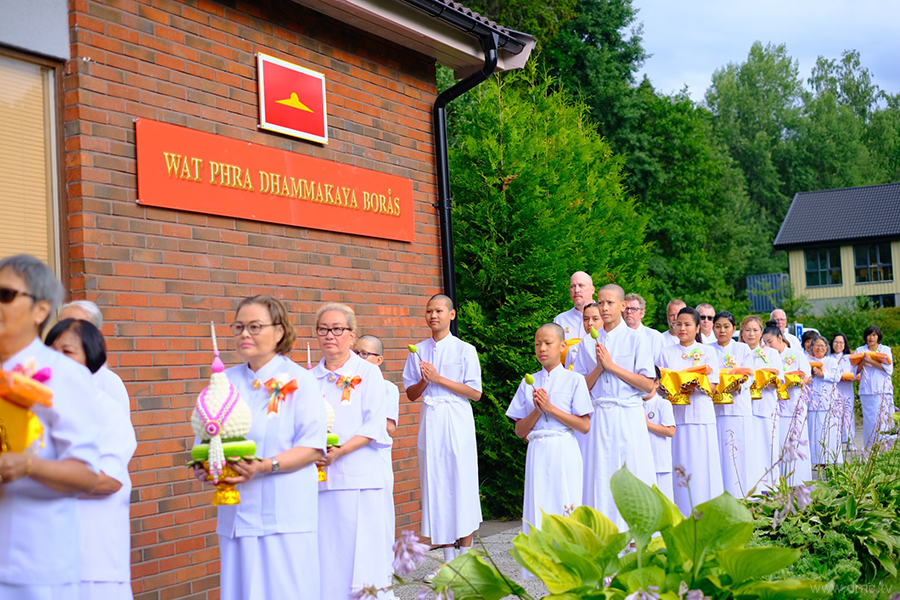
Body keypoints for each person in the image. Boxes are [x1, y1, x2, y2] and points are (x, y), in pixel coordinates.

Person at [192, 294, 327, 600]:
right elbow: (205, 438)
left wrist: (266, 466)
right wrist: (206, 467)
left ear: (279, 331)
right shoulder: (224, 382)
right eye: (238, 326)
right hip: (237, 514)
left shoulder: (301, 381)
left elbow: (313, 447)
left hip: (284, 515)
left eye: (254, 326)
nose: (244, 334)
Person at [0, 254, 101, 600]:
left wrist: (28, 465)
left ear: (41, 310)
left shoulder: (65, 375)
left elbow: (86, 475)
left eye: (5, 295)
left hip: (36, 566)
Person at [45, 318, 137, 600]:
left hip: (92, 557)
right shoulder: (36, 410)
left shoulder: (106, 411)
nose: (56, 359)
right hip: (42, 554)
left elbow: (108, 480)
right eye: (50, 351)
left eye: (68, 351)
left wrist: (35, 475)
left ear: (91, 358)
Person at [313, 304, 390, 598]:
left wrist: (340, 451)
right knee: (329, 555)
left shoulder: (368, 372)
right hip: (323, 479)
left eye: (337, 329)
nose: (329, 335)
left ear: (351, 334)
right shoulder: (308, 378)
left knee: (363, 557)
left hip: (360, 478)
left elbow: (375, 424)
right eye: (323, 329)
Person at [403, 295, 482, 562]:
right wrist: (426, 381)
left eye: (438, 310)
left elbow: (475, 392)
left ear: (451, 314)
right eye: (429, 311)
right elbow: (411, 394)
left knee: (461, 480)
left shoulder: (465, 350)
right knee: (436, 482)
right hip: (431, 420)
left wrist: (438, 378)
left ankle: (465, 558)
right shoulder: (417, 351)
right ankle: (449, 559)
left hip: (456, 419)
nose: (433, 316)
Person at [573, 284, 656, 528]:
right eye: (600, 302)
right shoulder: (587, 343)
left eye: (610, 303)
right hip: (600, 416)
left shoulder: (636, 338)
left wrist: (612, 366)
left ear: (622, 306)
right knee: (601, 473)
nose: (604, 308)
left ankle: (636, 532)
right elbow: (581, 388)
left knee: (632, 468)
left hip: (628, 413)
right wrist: (599, 368)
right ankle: (604, 529)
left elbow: (647, 384)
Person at [506, 324, 592, 546]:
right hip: (537, 450)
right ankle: (539, 555)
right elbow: (520, 430)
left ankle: (567, 552)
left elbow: (584, 425)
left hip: (563, 447)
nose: (542, 348)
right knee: (538, 501)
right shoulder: (528, 382)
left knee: (565, 499)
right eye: (537, 344)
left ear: (562, 346)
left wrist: (551, 409)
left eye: (548, 343)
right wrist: (537, 410)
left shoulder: (575, 380)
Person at [658, 307, 721, 514]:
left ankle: (704, 510)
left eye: (687, 324)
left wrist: (694, 384)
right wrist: (671, 386)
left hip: (700, 416)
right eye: (679, 324)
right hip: (675, 417)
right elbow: (658, 385)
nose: (682, 328)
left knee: (701, 466)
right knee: (678, 464)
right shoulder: (666, 352)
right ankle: (680, 512)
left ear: (697, 328)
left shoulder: (707, 352)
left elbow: (713, 387)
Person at [354, 334, 399, 593]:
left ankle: (382, 579)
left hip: (376, 459)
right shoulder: (347, 384)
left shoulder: (387, 388)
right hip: (351, 461)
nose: (358, 358)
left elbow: (389, 426)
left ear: (379, 360)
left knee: (379, 519)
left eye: (364, 354)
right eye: (355, 353)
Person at [708, 311, 758, 499]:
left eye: (726, 326)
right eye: (718, 326)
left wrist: (739, 385)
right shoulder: (707, 349)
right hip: (716, 410)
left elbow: (750, 375)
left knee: (739, 453)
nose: (722, 330)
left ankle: (742, 494)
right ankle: (721, 494)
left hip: (738, 409)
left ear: (734, 328)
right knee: (719, 453)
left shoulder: (742, 349)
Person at [761, 326, 812, 485]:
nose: (767, 346)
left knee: (797, 442)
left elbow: (807, 377)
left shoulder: (796, 354)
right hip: (777, 405)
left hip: (795, 403)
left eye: (770, 342)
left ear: (780, 338)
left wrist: (793, 381)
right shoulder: (765, 357)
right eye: (765, 342)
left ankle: (799, 480)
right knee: (779, 443)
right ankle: (781, 481)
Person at [59, 300, 129, 412]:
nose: (64, 331)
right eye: (60, 324)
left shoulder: (108, 382)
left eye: (75, 326)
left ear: (94, 332)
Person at [739, 315, 782, 491]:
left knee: (767, 447)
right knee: (747, 449)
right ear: (741, 332)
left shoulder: (770, 354)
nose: (751, 334)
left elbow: (778, 380)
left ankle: (770, 487)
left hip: (765, 407)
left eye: (755, 330)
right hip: (742, 408)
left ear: (761, 332)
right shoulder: (736, 354)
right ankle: (750, 487)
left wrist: (757, 378)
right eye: (747, 330)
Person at [854, 326, 895, 448]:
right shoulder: (860, 350)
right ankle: (870, 449)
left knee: (884, 421)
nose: (871, 338)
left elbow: (888, 370)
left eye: (874, 335)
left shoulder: (885, 350)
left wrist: (871, 361)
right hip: (867, 391)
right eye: (869, 335)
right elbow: (855, 370)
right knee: (870, 422)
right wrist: (863, 361)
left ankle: (886, 448)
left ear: (878, 337)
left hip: (883, 391)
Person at [807, 336, 842, 467]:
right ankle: (817, 461)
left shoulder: (831, 361)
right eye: (816, 345)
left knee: (829, 433)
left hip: (829, 403)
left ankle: (829, 460)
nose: (819, 348)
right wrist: (811, 374)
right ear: (812, 348)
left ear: (826, 348)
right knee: (815, 433)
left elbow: (837, 377)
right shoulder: (807, 361)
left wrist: (823, 374)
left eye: (822, 346)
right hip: (813, 402)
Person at [643, 382, 675, 502]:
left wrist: (648, 425)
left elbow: (670, 431)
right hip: (642, 462)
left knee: (664, 502)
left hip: (660, 464)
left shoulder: (663, 404)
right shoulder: (636, 405)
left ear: (657, 383)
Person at [554, 272, 595, 366]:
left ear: (592, 289)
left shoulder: (604, 316)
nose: (576, 290)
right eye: (573, 286)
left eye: (581, 285)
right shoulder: (560, 320)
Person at [829, 333, 856, 450]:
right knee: (834, 416)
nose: (838, 345)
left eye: (841, 342)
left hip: (846, 390)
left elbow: (855, 373)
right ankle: (836, 442)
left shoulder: (849, 358)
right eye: (836, 342)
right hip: (833, 391)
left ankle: (850, 441)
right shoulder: (828, 358)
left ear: (845, 344)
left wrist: (850, 377)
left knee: (848, 416)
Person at [624, 293, 664, 363]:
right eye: (626, 308)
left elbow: (660, 365)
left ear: (642, 313)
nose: (629, 312)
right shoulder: (616, 336)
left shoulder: (655, 337)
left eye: (634, 309)